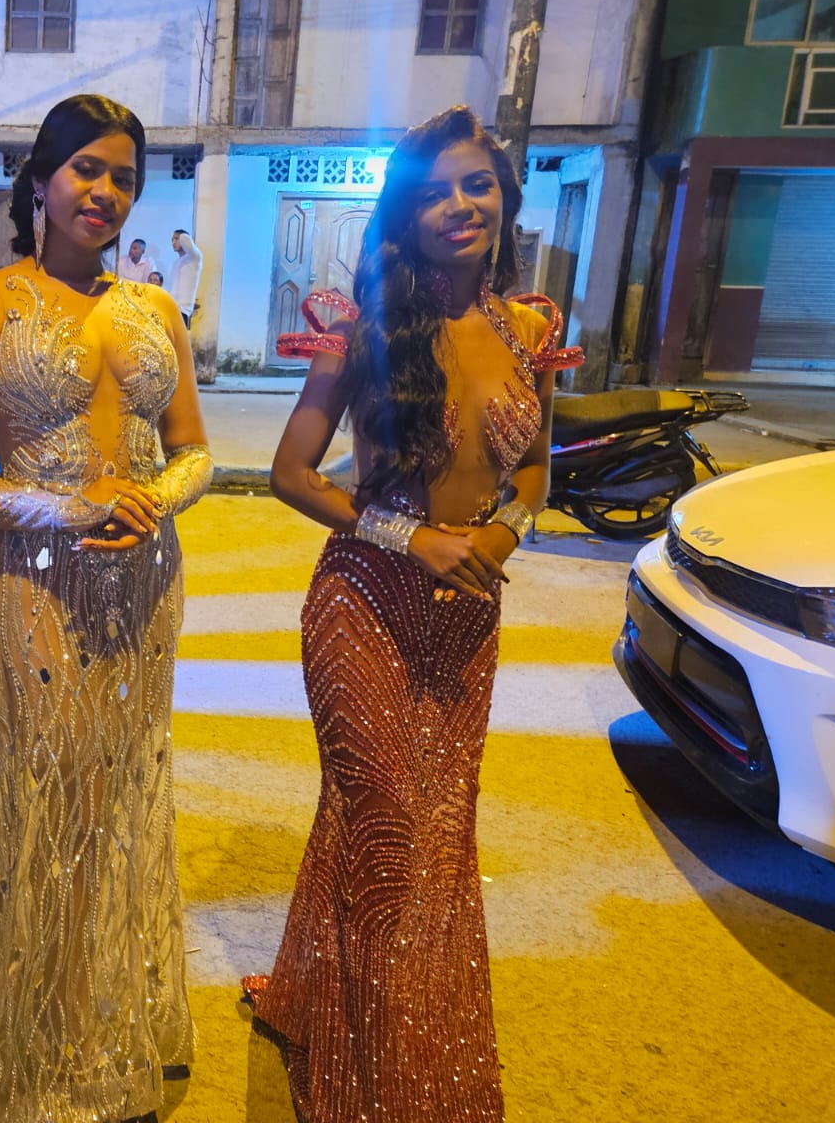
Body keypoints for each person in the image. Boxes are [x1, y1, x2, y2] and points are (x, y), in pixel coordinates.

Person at [243, 105, 583, 1123]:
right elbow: (291, 473)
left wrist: (503, 533)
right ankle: (380, 1086)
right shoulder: (361, 327)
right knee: (388, 828)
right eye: (433, 193)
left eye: (475, 185)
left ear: (504, 198)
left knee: (427, 833)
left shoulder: (530, 330)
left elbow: (534, 471)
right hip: (363, 602)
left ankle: (317, 1002)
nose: (458, 205)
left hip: (467, 615)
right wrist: (413, 537)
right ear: (404, 214)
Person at [0, 93, 212, 1123]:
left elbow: (194, 450)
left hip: (146, 579)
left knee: (115, 790)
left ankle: (95, 1011)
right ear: (39, 181)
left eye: (123, 176)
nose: (105, 191)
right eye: (86, 168)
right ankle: (41, 1029)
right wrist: (61, 506)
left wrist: (154, 498)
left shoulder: (156, 309)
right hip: (33, 579)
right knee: (54, 791)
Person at [169, 227, 201, 327]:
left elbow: (185, 239)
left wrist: (182, 236)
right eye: (172, 239)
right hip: (171, 309)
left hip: (183, 311)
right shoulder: (176, 263)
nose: (173, 242)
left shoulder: (194, 257)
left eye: (176, 239)